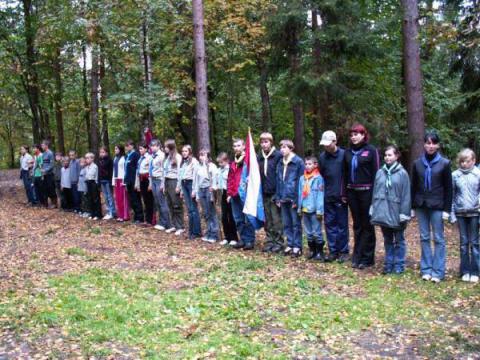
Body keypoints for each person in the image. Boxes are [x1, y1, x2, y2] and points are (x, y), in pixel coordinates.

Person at [411, 131, 452, 283]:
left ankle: (438, 271)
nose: (430, 146)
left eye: (433, 143)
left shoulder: (445, 164)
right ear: (424, 144)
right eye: (428, 143)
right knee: (424, 237)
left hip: (437, 205)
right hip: (421, 204)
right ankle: (426, 269)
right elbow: (413, 185)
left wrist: (447, 210)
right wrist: (411, 206)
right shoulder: (417, 163)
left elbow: (449, 188)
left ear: (438, 145)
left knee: (439, 238)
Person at [370, 145, 411, 275]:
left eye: (390, 155)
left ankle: (399, 264)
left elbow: (406, 195)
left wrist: (404, 213)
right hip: (383, 211)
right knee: (387, 239)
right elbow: (375, 191)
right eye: (386, 155)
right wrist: (373, 207)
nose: (387, 158)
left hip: (397, 211)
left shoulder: (402, 173)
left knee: (399, 239)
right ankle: (388, 263)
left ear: (396, 156)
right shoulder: (380, 172)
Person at [344, 123, 380, 269]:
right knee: (357, 225)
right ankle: (357, 255)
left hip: (367, 191)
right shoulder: (347, 152)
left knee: (368, 225)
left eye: (356, 134)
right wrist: (344, 193)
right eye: (351, 135)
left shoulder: (371, 151)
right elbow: (344, 174)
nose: (354, 137)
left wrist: (374, 195)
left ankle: (368, 258)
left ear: (363, 135)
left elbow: (376, 173)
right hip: (352, 192)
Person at [318, 131, 349, 262]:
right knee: (329, 224)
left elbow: (347, 175)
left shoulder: (344, 155)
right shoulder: (322, 157)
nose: (326, 147)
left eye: (328, 144)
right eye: (324, 144)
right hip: (327, 195)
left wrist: (345, 193)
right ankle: (333, 250)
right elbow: (322, 175)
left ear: (335, 142)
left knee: (342, 225)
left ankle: (343, 251)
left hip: (341, 196)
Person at [450, 148, 480, 283]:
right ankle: (465, 270)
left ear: (473, 161)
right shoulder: (455, 175)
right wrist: (452, 214)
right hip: (460, 212)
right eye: (461, 161)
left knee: (474, 242)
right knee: (463, 243)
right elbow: (452, 195)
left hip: (475, 212)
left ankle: (475, 271)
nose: (464, 164)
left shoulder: (478, 174)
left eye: (467, 161)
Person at [275, 139, 305, 257]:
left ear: (291, 148)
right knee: (286, 223)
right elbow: (278, 181)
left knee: (295, 223)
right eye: (281, 147)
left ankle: (297, 246)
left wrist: (297, 200)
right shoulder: (280, 163)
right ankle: (290, 244)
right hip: (283, 197)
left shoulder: (298, 162)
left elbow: (300, 182)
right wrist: (278, 197)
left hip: (293, 198)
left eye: (285, 147)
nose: (282, 150)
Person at [227, 138, 256, 250]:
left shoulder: (248, 161)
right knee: (238, 218)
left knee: (247, 218)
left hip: (246, 193)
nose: (236, 148)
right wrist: (229, 193)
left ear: (244, 146)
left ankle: (250, 240)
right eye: (235, 146)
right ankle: (243, 239)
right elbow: (230, 179)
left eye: (239, 145)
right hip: (234, 194)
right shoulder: (233, 163)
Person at [257, 132, 283, 253]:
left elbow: (281, 175)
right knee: (267, 219)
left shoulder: (277, 156)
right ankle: (269, 241)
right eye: (262, 142)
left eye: (266, 142)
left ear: (271, 142)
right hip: (264, 192)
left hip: (275, 192)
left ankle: (279, 242)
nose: (264, 144)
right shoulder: (259, 157)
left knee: (276, 219)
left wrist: (279, 194)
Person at [298, 156, 325, 261]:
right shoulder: (302, 178)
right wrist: (299, 208)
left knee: (316, 231)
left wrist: (319, 210)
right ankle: (312, 251)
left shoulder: (318, 178)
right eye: (306, 164)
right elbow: (300, 193)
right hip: (305, 208)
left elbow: (320, 195)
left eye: (310, 164)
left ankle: (319, 252)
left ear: (315, 165)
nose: (307, 166)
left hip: (314, 210)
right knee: (308, 232)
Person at [194, 149, 220, 243]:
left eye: (203, 155)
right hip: (201, 190)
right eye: (200, 155)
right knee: (206, 213)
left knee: (211, 212)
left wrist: (213, 188)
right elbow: (196, 180)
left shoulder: (212, 166)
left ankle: (214, 234)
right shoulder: (198, 167)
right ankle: (209, 232)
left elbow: (215, 179)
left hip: (209, 190)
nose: (201, 157)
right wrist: (197, 193)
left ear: (208, 156)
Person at [178, 145, 201, 239]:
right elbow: (180, 175)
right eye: (183, 151)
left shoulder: (194, 161)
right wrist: (180, 189)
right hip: (184, 184)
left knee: (193, 209)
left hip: (191, 183)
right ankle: (191, 230)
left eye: (186, 151)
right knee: (189, 209)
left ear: (190, 152)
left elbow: (196, 176)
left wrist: (195, 190)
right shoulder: (182, 162)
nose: (184, 153)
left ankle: (196, 231)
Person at [216, 152, 238, 246]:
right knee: (224, 216)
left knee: (231, 216)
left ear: (226, 161)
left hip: (229, 193)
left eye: (221, 162)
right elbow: (218, 182)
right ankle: (227, 237)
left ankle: (234, 237)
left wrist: (230, 194)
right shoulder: (219, 170)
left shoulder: (230, 169)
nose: (220, 164)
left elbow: (232, 182)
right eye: (219, 163)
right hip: (222, 193)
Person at [149, 139, 172, 231]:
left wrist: (163, 183)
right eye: (151, 146)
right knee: (157, 201)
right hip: (153, 179)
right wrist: (150, 182)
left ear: (159, 146)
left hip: (159, 180)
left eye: (154, 145)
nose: (153, 147)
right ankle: (161, 221)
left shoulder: (162, 156)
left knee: (162, 202)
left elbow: (164, 170)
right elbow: (151, 169)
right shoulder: (152, 156)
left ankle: (167, 223)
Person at [163, 139, 185, 235]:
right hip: (167, 181)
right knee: (170, 204)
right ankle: (174, 225)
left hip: (174, 181)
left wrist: (178, 186)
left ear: (171, 147)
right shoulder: (167, 157)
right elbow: (164, 171)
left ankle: (180, 226)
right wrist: (163, 185)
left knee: (176, 204)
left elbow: (180, 172)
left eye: (166, 147)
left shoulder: (178, 157)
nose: (165, 149)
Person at [124, 140, 144, 224]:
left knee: (136, 199)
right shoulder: (127, 156)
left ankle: (140, 217)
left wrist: (137, 181)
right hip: (128, 180)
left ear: (132, 146)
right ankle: (136, 216)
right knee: (132, 199)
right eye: (126, 146)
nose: (126, 147)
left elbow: (137, 168)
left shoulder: (136, 155)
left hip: (134, 180)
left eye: (127, 145)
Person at [136, 143, 155, 226]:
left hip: (147, 179)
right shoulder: (140, 159)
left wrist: (150, 184)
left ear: (146, 149)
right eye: (139, 149)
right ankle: (147, 219)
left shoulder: (149, 158)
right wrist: (137, 184)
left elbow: (150, 171)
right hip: (141, 180)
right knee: (145, 200)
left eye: (141, 149)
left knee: (149, 200)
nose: (140, 150)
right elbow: (138, 171)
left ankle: (150, 220)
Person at [112, 145, 130, 222]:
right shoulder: (115, 158)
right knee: (118, 198)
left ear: (120, 149)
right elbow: (114, 170)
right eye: (114, 148)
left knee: (123, 198)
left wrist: (125, 181)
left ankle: (125, 215)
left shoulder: (124, 158)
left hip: (122, 179)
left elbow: (126, 170)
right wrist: (113, 181)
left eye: (116, 148)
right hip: (116, 179)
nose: (115, 150)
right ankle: (120, 215)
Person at [98, 147, 115, 220]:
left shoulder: (109, 160)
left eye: (103, 152)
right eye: (100, 152)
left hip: (108, 180)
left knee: (109, 196)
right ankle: (108, 211)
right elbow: (99, 171)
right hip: (102, 180)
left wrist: (111, 181)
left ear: (107, 153)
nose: (101, 154)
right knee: (105, 196)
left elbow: (111, 171)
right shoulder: (100, 160)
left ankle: (112, 212)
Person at [84, 152, 102, 220]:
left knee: (95, 199)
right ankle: (92, 213)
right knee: (90, 198)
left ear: (92, 159)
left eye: (88, 158)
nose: (86, 159)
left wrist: (97, 185)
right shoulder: (86, 167)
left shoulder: (94, 166)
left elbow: (94, 175)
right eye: (86, 158)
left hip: (93, 183)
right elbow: (87, 176)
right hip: (88, 182)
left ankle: (98, 214)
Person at [41, 140, 58, 208]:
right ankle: (46, 204)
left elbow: (52, 164)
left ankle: (55, 203)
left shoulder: (50, 153)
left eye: (43, 145)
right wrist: (42, 170)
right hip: (44, 175)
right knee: (45, 189)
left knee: (51, 188)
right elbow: (43, 163)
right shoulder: (43, 153)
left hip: (50, 174)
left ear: (46, 145)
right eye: (41, 145)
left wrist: (45, 170)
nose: (42, 146)